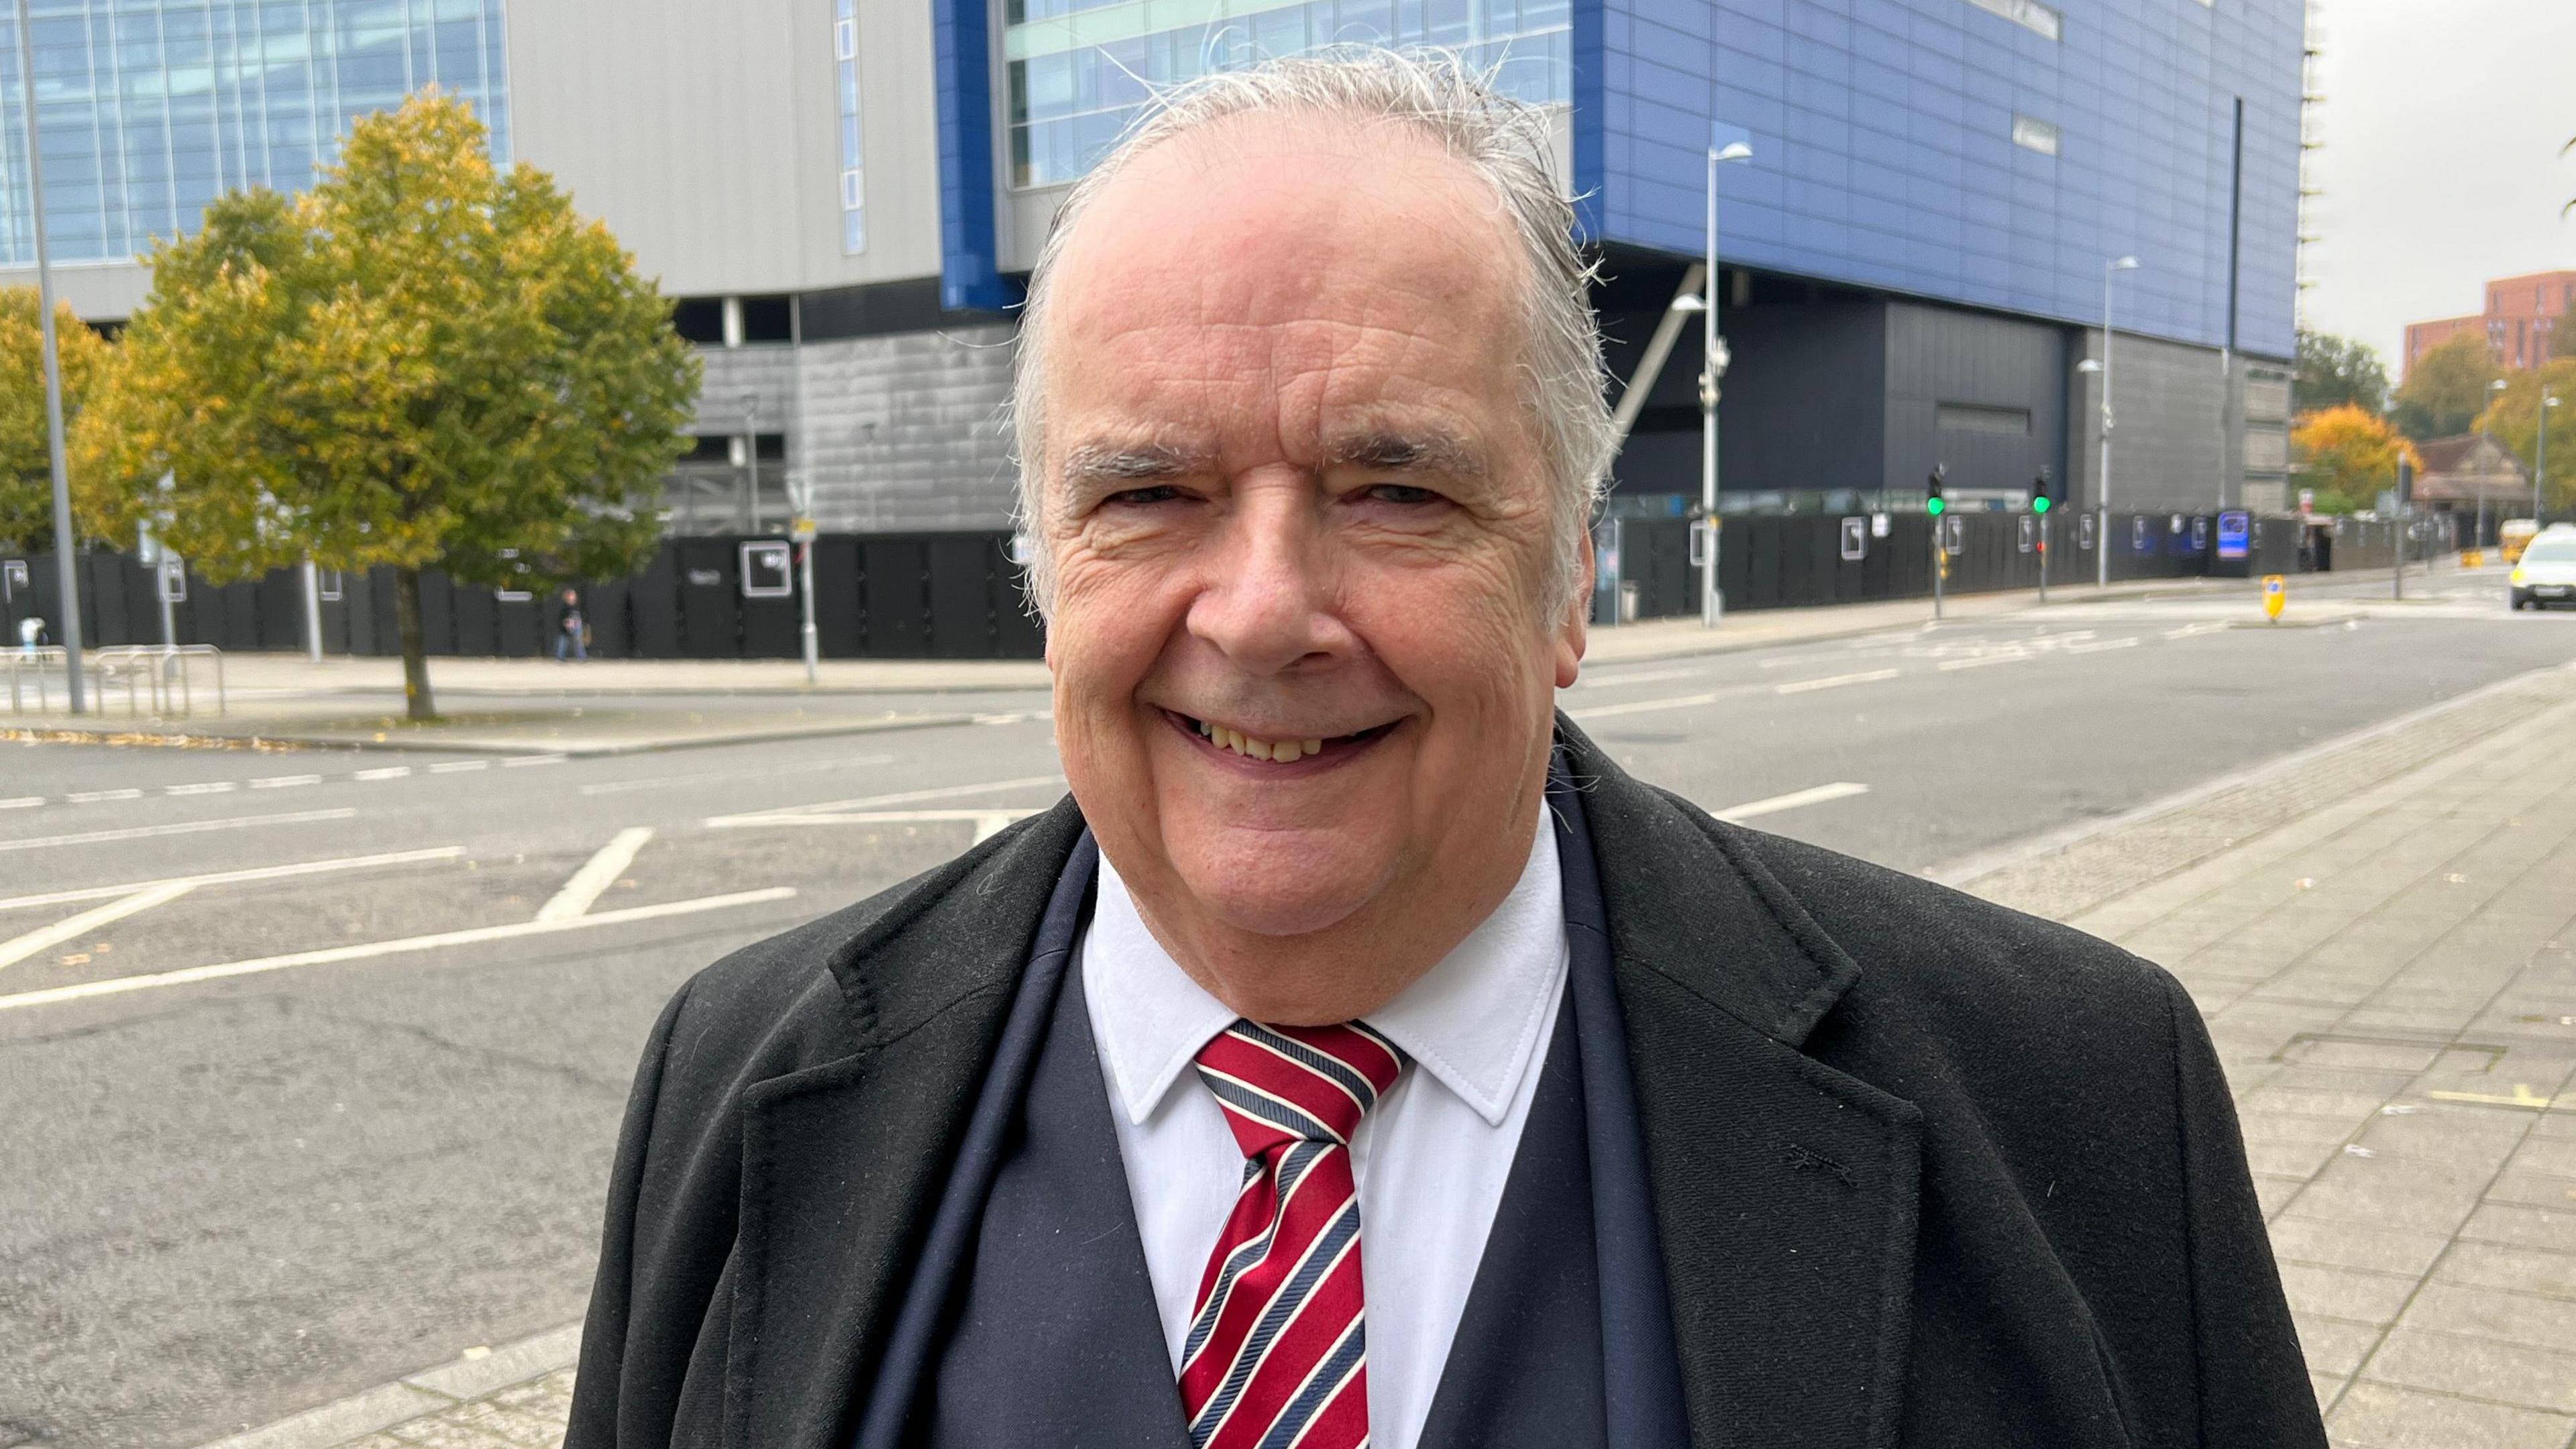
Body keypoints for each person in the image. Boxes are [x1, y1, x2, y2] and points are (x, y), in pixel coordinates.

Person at [566, 52, 2322, 1449]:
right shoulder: (735, 1085)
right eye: (1150, 494)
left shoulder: (2077, 1105)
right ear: (1045, 567)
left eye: (1395, 489)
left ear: (1567, 574)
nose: (1259, 613)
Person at [554, 588, 587, 663]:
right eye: (570, 595)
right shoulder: (564, 607)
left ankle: (582, 657)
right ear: (566, 597)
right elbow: (561, 618)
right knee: (563, 642)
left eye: (573, 595)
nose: (572, 597)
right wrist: (566, 624)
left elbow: (579, 617)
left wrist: (579, 624)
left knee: (579, 642)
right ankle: (560, 658)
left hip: (577, 627)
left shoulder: (577, 606)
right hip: (566, 628)